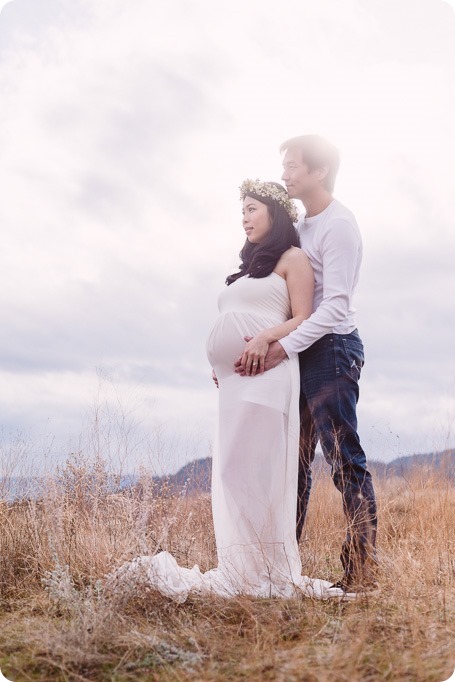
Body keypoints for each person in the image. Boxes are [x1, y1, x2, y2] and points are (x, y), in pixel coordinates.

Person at [107, 180, 353, 601]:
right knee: (231, 473)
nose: (244, 217)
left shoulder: (293, 258)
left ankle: (264, 571)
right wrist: (219, 358)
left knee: (249, 471)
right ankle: (245, 567)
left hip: (268, 373)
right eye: (242, 210)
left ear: (274, 213)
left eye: (252, 208)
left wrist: (263, 339)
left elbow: (304, 317)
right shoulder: (251, 267)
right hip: (235, 382)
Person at [237, 135, 378, 594]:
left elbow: (336, 307)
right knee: (291, 463)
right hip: (301, 349)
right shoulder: (303, 228)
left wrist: (282, 346)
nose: (286, 173)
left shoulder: (339, 226)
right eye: (284, 165)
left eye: (294, 165)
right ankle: (284, 569)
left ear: (319, 171)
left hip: (333, 350)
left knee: (343, 460)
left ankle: (362, 572)